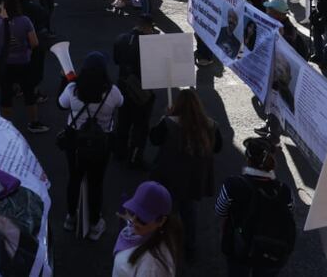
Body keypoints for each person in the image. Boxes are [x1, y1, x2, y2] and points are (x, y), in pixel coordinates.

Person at [149, 89, 223, 261]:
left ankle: (166, 245)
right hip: (194, 179)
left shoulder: (168, 123)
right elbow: (218, 147)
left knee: (167, 212)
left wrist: (163, 118)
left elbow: (154, 139)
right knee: (189, 212)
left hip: (169, 177)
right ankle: (190, 246)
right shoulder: (210, 125)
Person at [59, 51, 123, 240]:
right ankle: (95, 223)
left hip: (75, 140)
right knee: (96, 182)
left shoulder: (72, 89)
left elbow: (61, 104)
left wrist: (64, 81)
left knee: (74, 178)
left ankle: (70, 218)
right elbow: (121, 103)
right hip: (101, 142)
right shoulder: (112, 92)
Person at [216, 137, 296, 276]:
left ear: (248, 159)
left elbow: (220, 210)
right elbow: (289, 212)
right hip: (271, 249)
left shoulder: (232, 184)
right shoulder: (284, 190)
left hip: (239, 248)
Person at [0, 0, 48, 133]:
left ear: (3, 5)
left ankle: (6, 126)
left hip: (2, 63)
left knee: (5, 93)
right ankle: (34, 123)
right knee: (29, 92)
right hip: (23, 62)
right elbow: (34, 43)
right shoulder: (25, 21)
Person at [114, 14, 159, 168]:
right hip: (142, 91)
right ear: (147, 27)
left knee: (123, 122)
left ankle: (119, 153)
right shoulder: (149, 44)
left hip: (123, 87)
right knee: (140, 126)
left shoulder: (121, 38)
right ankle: (135, 158)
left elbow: (116, 60)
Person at [113, 181, 182, 277]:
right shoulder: (145, 234)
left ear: (161, 221)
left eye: (142, 218)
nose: (133, 220)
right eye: (133, 211)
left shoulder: (152, 267)